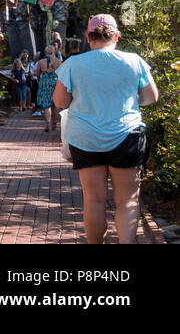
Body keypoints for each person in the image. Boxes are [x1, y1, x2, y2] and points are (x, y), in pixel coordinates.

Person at [54, 14, 158, 244]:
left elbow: (60, 101)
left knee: (93, 199)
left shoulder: (74, 64)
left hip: (85, 138)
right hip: (127, 135)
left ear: (88, 37)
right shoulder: (134, 61)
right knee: (128, 200)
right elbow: (151, 97)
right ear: (117, 36)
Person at [33, 44, 64, 133]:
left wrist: (40, 81)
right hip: (55, 83)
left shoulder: (41, 61)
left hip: (45, 83)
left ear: (46, 52)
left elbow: (37, 73)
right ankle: (55, 123)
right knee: (55, 105)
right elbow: (61, 74)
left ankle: (48, 124)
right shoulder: (58, 62)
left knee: (47, 105)